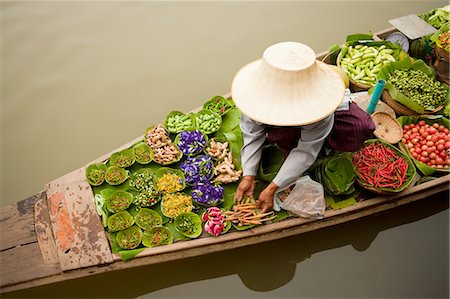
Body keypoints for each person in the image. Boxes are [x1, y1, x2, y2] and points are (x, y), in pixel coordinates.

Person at [231, 41, 346, 213]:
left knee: (358, 128)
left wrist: (272, 187)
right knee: (281, 137)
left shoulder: (318, 108)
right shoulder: (255, 100)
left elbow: (306, 151)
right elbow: (252, 135)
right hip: (282, 127)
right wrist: (249, 175)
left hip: (315, 124)